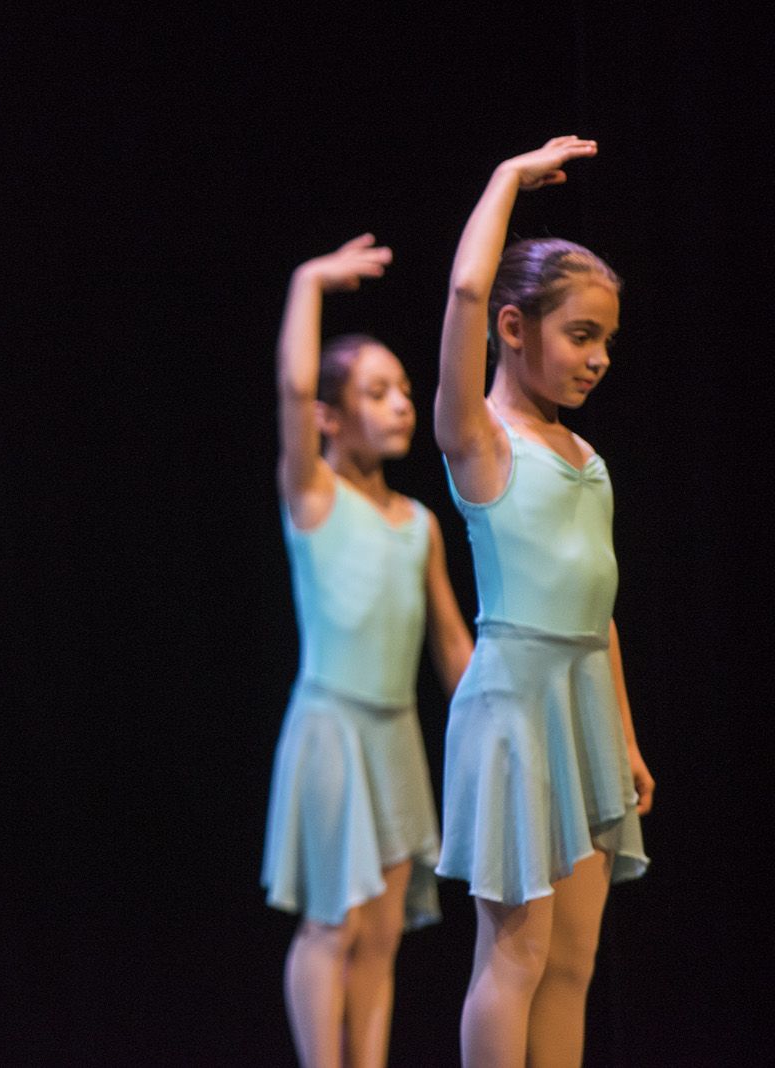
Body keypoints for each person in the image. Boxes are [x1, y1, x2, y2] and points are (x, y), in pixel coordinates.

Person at [433, 137, 653, 1067]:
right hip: (516, 712)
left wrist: (625, 737)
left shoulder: (587, 460)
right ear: (515, 328)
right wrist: (505, 181)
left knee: (573, 959)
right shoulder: (482, 441)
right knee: (516, 952)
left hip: (583, 713)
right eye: (580, 335)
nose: (597, 359)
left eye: (607, 342)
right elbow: (465, 291)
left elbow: (598, 614)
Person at [263, 235, 474, 1067]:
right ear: (329, 416)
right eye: (377, 393)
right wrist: (308, 282)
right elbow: (291, 384)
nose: (401, 406)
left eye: (405, 392)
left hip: (395, 740)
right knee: (334, 924)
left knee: (383, 930)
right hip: (332, 730)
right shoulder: (314, 495)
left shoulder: (418, 523)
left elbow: (452, 644)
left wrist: (497, 729)